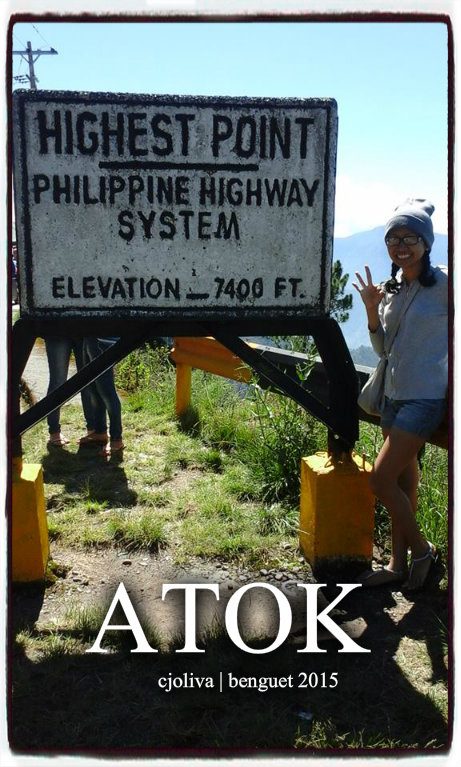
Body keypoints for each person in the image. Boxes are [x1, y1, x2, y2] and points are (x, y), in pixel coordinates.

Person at [352, 198, 448, 591]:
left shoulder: (446, 283)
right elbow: (381, 349)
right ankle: (397, 565)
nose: (401, 245)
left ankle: (424, 554)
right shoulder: (391, 288)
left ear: (426, 243)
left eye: (410, 237)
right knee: (403, 484)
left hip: (425, 398)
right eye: (394, 238)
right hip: (392, 396)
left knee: (380, 479)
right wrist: (373, 312)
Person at [44, 337, 95, 447]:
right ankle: (54, 431)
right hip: (56, 329)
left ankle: (93, 430)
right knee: (58, 382)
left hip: (85, 329)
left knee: (88, 381)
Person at [79, 336, 124, 457]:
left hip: (103, 338)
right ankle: (100, 432)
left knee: (107, 391)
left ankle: (116, 439)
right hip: (90, 337)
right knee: (93, 389)